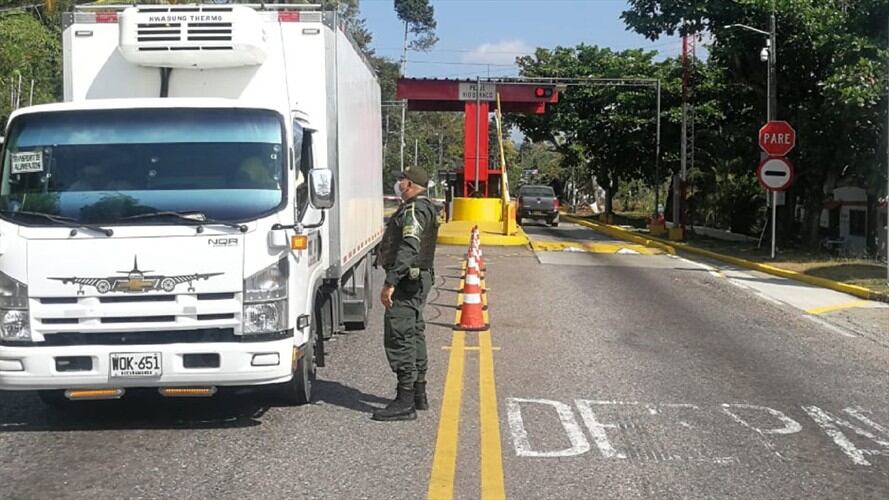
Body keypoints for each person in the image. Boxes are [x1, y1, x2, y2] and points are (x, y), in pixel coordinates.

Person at [372, 167, 440, 422]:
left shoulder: (413, 210)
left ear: (409, 184)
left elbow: (410, 247)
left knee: (400, 334)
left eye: (401, 180)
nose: (398, 183)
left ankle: (404, 400)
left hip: (407, 282)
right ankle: (419, 393)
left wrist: (390, 281)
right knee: (414, 331)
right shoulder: (426, 207)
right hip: (418, 279)